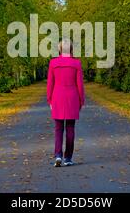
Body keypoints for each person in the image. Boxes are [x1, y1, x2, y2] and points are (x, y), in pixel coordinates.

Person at [47, 38, 85, 167]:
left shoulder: (53, 63)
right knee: (70, 128)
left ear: (59, 49)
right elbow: (79, 84)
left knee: (58, 129)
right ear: (71, 49)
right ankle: (68, 158)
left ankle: (58, 156)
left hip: (57, 97)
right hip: (72, 97)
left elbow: (50, 83)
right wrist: (81, 100)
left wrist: (49, 99)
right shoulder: (76, 63)